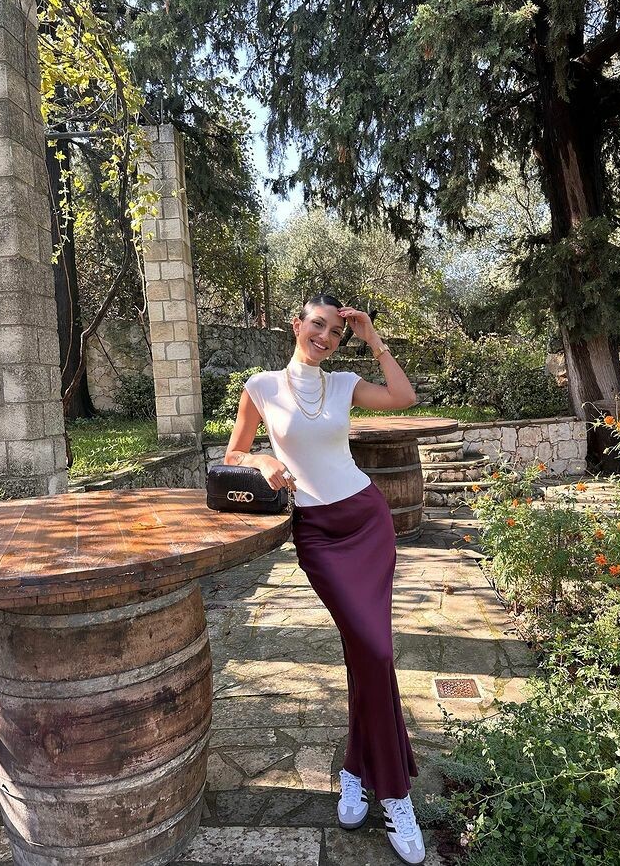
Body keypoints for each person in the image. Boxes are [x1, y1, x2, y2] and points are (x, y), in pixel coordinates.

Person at [224, 294, 426, 864]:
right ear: (297, 324)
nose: (326, 337)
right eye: (319, 325)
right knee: (372, 652)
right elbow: (234, 454)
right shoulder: (261, 387)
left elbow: (404, 397)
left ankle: (369, 780)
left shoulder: (343, 384)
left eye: (336, 331)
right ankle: (388, 786)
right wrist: (263, 461)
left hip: (366, 519)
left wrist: (373, 339)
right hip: (317, 533)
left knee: (371, 654)